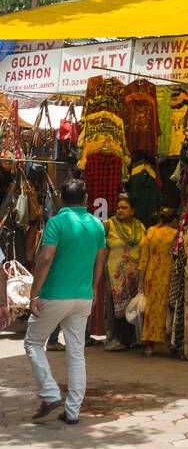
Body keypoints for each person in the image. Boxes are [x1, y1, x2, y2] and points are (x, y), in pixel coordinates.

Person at [23, 178, 106, 424]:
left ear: (60, 198)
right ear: (86, 199)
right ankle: (72, 412)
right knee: (76, 353)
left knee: (33, 343)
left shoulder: (57, 222)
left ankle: (49, 393)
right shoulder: (96, 225)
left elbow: (45, 258)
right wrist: (93, 287)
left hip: (55, 294)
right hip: (83, 297)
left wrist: (34, 293)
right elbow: (100, 260)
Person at [103, 193, 145, 351]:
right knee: (114, 306)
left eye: (124, 208)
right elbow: (95, 240)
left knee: (133, 306)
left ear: (133, 210)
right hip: (115, 274)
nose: (120, 210)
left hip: (135, 274)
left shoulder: (140, 226)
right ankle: (112, 339)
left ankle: (131, 338)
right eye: (118, 207)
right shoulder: (109, 225)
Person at [137, 207, 178, 357]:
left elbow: (143, 259)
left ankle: (149, 345)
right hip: (169, 276)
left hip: (152, 276)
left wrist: (141, 281)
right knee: (168, 309)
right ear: (174, 220)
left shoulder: (151, 232)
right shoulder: (175, 235)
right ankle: (168, 343)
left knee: (151, 310)